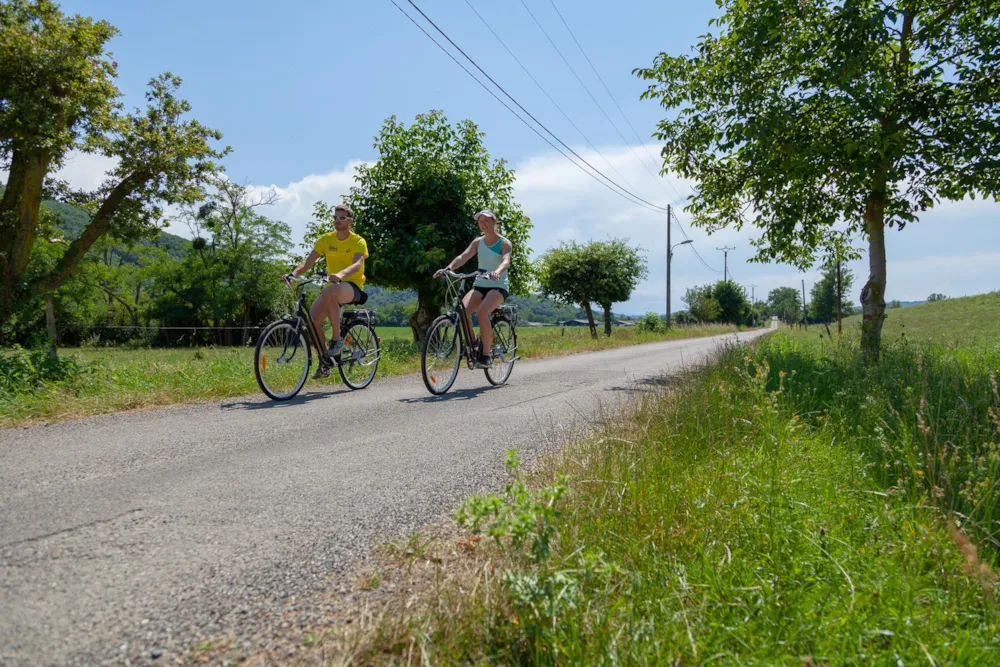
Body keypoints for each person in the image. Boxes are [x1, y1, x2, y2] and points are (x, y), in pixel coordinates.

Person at [285, 204, 369, 378]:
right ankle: (325, 361)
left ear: (350, 221)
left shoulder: (358, 241)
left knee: (329, 292)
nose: (337, 221)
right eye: (335, 217)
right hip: (332, 287)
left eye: (342, 218)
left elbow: (357, 264)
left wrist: (341, 273)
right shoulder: (326, 239)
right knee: (313, 322)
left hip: (352, 286)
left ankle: (337, 339)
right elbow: (307, 262)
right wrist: (293, 274)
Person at [434, 209, 512, 368]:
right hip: (480, 284)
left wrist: (497, 272)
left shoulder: (504, 243)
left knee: (482, 312)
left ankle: (485, 355)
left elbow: (506, 261)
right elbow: (463, 257)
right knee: (461, 311)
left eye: (486, 221)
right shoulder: (478, 242)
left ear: (494, 221)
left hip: (498, 286)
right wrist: (448, 268)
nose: (483, 224)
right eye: (480, 221)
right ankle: (474, 343)